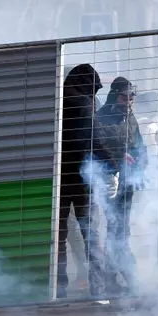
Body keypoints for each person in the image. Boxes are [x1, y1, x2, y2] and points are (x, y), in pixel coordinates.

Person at [58, 63, 120, 299]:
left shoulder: (58, 98)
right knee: (90, 234)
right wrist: (112, 165)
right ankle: (98, 288)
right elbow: (94, 138)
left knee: (59, 236)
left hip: (59, 180)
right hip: (83, 180)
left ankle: (58, 288)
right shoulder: (84, 104)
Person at [96, 77, 148, 295]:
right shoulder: (101, 118)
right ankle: (127, 277)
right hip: (109, 182)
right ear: (114, 95)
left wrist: (143, 168)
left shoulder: (130, 117)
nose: (128, 101)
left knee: (119, 230)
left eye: (131, 97)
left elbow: (139, 145)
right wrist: (118, 158)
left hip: (127, 182)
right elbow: (98, 147)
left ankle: (111, 277)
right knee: (117, 230)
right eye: (124, 97)